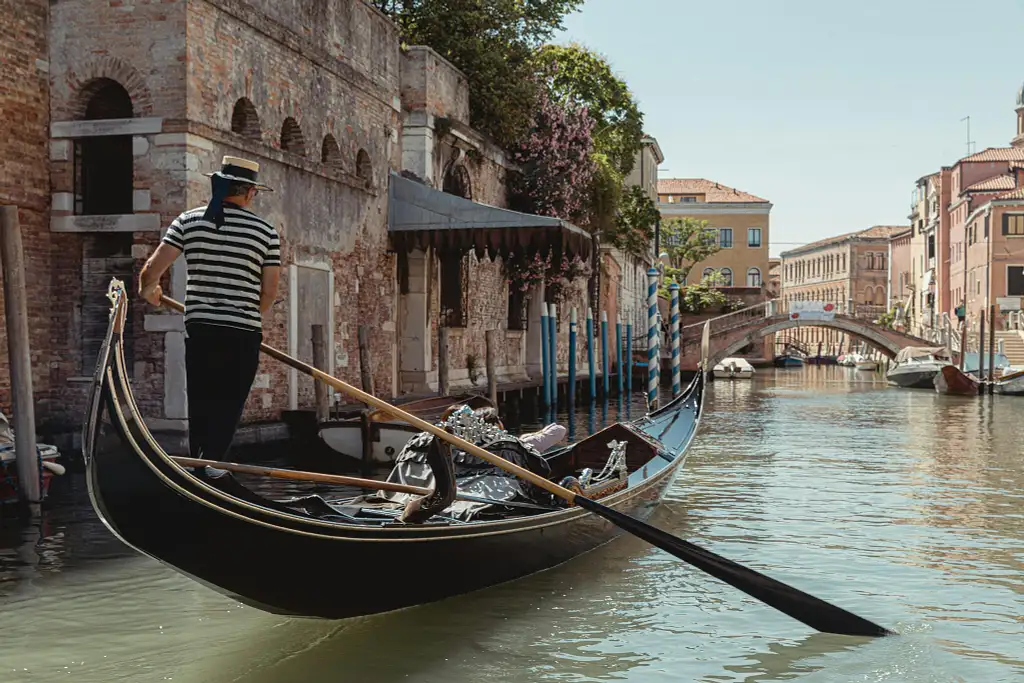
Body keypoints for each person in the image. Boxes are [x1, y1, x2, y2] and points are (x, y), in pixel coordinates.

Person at [137, 156, 281, 466]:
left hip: (201, 328)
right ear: (250, 192)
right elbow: (269, 292)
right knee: (228, 406)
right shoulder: (265, 232)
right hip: (242, 332)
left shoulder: (187, 221)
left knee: (202, 403)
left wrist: (151, 293)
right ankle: (212, 467)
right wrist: (247, 312)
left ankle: (200, 467)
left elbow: (150, 273)